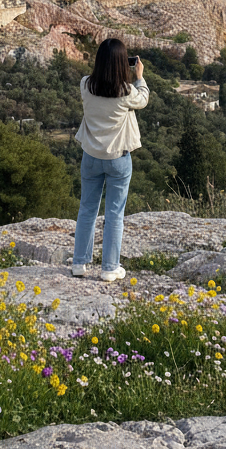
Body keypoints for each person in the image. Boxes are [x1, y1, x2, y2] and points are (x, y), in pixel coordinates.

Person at [71, 38, 149, 282]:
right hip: (118, 158)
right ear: (120, 64)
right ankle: (109, 268)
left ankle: (79, 264)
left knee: (87, 209)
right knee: (114, 213)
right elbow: (144, 99)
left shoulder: (85, 84)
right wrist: (139, 76)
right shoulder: (125, 92)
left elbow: (97, 86)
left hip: (91, 156)